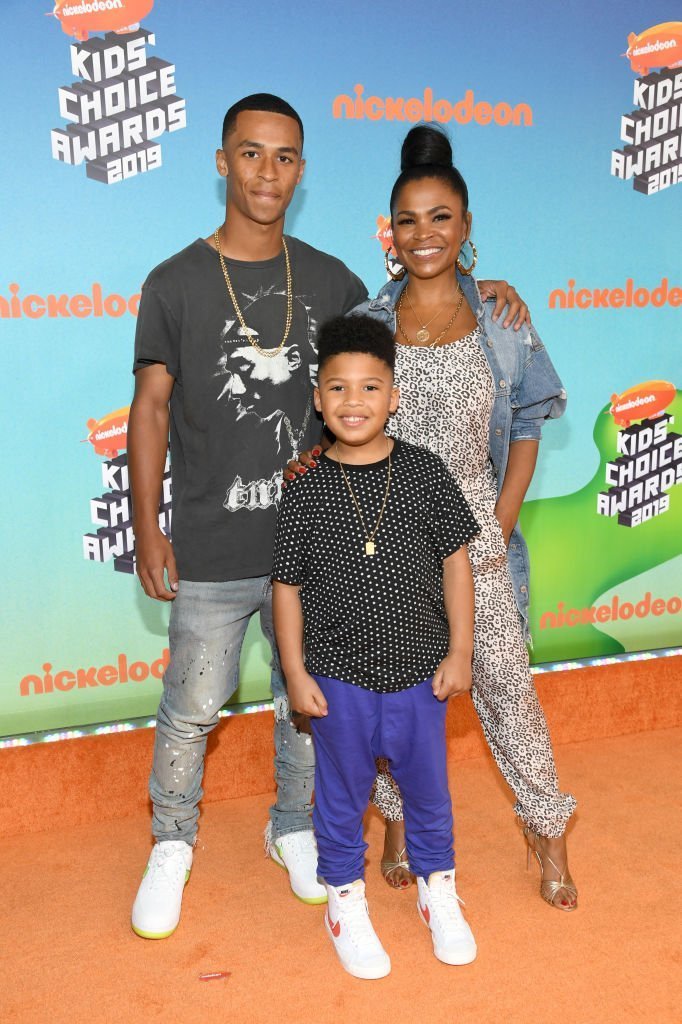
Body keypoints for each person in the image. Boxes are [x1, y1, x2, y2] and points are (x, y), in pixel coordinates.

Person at [127, 90, 530, 940]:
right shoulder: (174, 283)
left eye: (283, 158)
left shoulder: (334, 280)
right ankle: (171, 843)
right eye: (250, 153)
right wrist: (148, 523)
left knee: (308, 703)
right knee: (193, 705)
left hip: (326, 550)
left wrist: (482, 285)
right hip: (214, 543)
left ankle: (296, 828)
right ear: (221, 161)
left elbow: (410, 315)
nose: (267, 173)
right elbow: (152, 409)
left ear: (302, 171)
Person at [352, 124, 578, 911]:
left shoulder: (504, 319)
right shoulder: (367, 324)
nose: (425, 235)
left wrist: (503, 517)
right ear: (392, 234)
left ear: (466, 225)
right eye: (409, 221)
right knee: (392, 699)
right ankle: (397, 826)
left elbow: (527, 423)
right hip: (389, 549)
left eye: (441, 217)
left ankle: (545, 833)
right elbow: (345, 427)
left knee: (508, 689)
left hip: (479, 542)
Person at [272, 315, 480, 979]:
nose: (353, 402)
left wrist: (461, 652)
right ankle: (344, 901)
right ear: (317, 399)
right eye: (338, 388)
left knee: (429, 793)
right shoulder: (303, 487)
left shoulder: (424, 472)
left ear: (394, 397)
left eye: (369, 387)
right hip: (338, 681)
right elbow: (286, 589)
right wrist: (296, 670)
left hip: (422, 673)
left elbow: (456, 564)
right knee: (339, 799)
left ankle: (437, 891)